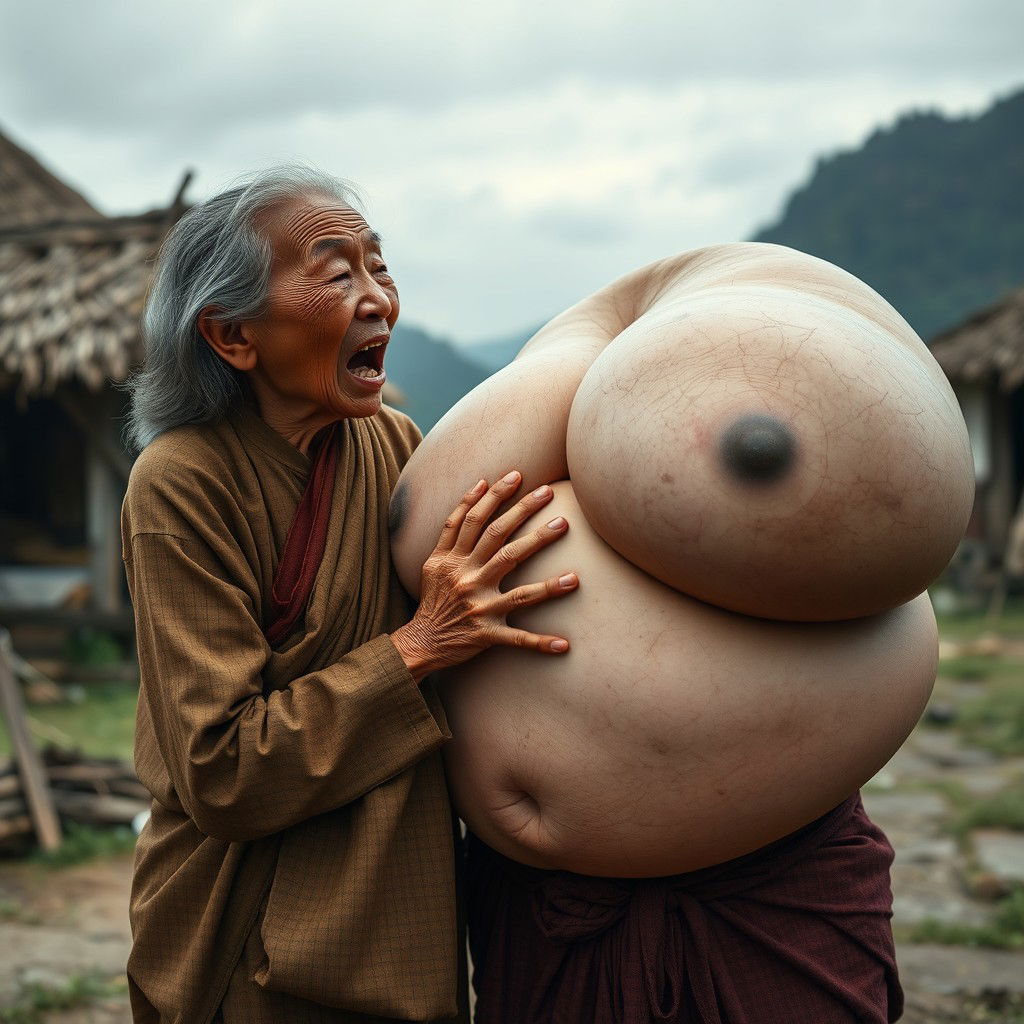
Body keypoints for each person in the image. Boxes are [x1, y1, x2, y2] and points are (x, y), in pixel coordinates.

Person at [119, 166, 580, 1023]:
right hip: (244, 929)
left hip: (398, 909)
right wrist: (420, 646)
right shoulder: (180, 484)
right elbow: (221, 773)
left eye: (379, 267)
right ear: (232, 336)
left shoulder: (395, 444)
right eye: (337, 273)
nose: (378, 300)